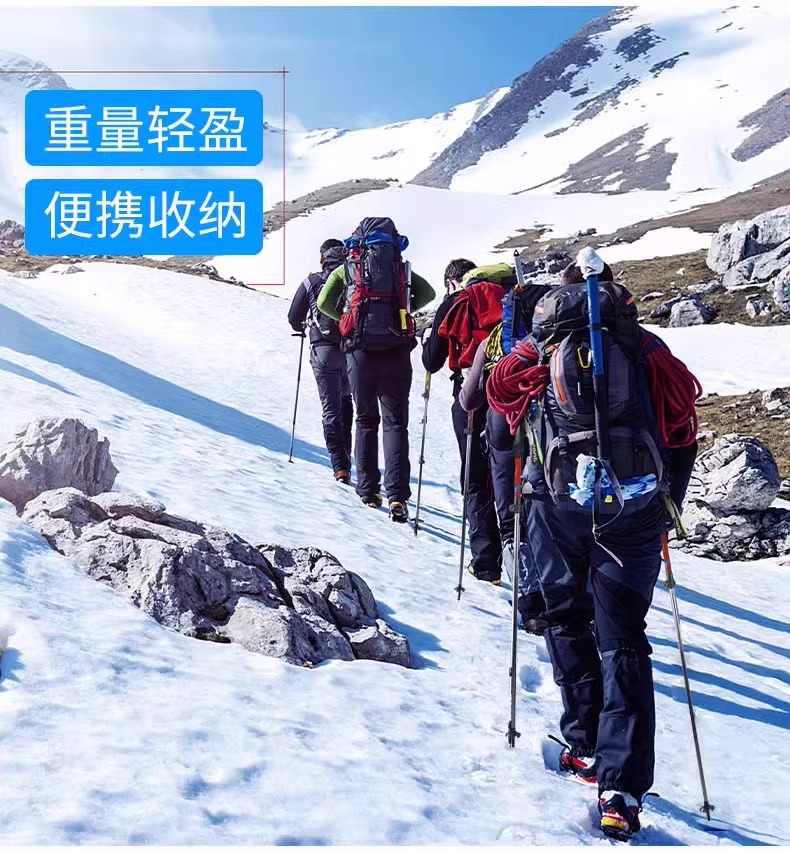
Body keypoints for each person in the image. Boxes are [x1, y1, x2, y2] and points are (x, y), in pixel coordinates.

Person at [487, 256, 699, 840]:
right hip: (634, 512)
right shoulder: (647, 350)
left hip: (555, 507)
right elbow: (682, 431)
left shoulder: (534, 353)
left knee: (565, 617)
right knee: (624, 639)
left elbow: (501, 431)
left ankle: (582, 742)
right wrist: (663, 506)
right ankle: (621, 789)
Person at [317, 217, 435, 522]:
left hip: (360, 351)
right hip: (396, 349)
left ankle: (369, 490)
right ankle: (397, 496)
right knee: (396, 423)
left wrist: (348, 318)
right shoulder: (400, 268)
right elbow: (428, 294)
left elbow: (324, 303)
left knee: (365, 419)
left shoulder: (348, 268)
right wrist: (401, 311)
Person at [422, 259, 507, 583]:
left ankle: (486, 563)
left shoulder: (456, 302)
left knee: (475, 474)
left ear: (451, 282)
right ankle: (526, 556)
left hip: (471, 394)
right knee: (512, 471)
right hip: (513, 392)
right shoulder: (511, 296)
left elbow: (432, 360)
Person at [288, 239, 354, 483]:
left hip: (323, 350)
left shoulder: (312, 281)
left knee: (330, 408)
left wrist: (302, 326)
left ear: (322, 258)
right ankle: (346, 457)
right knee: (346, 400)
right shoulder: (353, 279)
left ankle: (340, 466)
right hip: (350, 349)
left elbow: (294, 316)